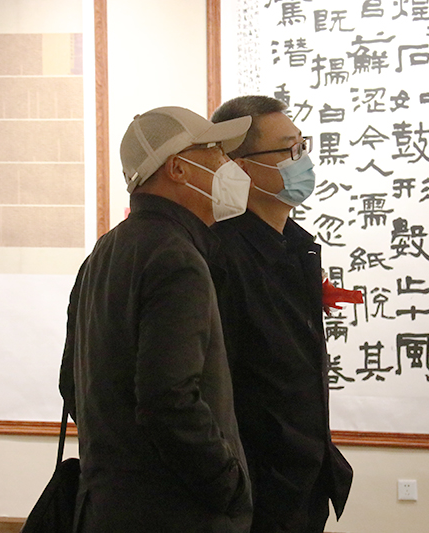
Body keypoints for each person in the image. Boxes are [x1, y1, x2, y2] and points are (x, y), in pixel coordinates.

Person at [59, 106, 254, 533]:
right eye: (216, 151)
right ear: (178, 169)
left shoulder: (103, 253)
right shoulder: (176, 257)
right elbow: (169, 399)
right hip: (174, 513)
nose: (229, 165)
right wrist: (230, 486)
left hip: (108, 507)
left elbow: (71, 385)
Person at [209, 95, 353, 533]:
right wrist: (230, 480)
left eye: (302, 146)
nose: (301, 161)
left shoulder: (296, 245)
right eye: (288, 150)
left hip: (305, 481)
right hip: (253, 491)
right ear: (241, 167)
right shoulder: (221, 255)